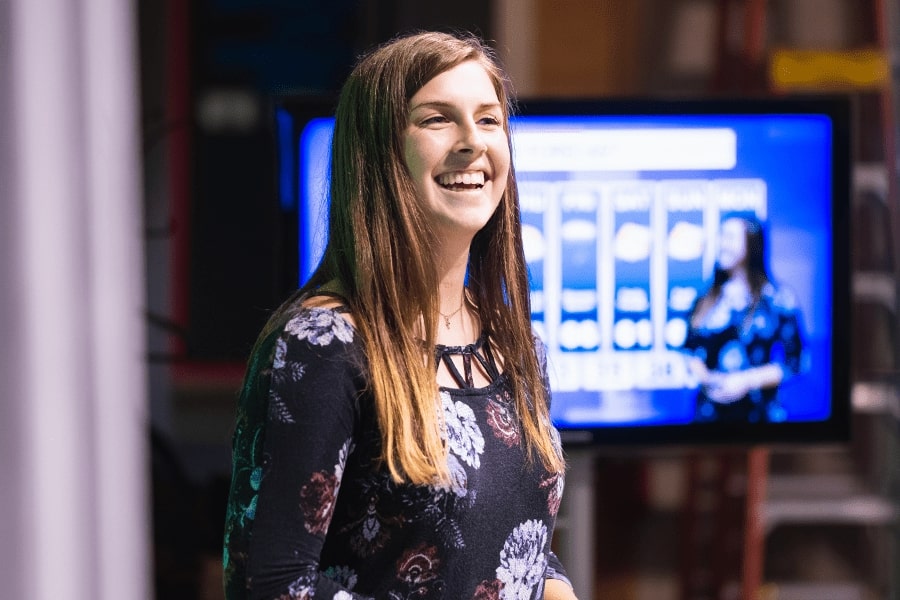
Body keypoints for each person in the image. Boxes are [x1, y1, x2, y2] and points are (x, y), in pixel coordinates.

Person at [222, 31, 578, 600]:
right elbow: (272, 586)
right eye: (438, 119)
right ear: (380, 154)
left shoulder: (517, 348)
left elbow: (512, 544)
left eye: (489, 120)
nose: (472, 142)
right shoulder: (323, 343)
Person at [684, 214, 806, 423]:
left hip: (760, 418)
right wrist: (712, 380)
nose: (723, 244)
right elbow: (689, 352)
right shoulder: (705, 299)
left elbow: (796, 361)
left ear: (751, 243)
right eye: (721, 236)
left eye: (730, 237)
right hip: (709, 418)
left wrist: (746, 381)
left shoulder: (776, 299)